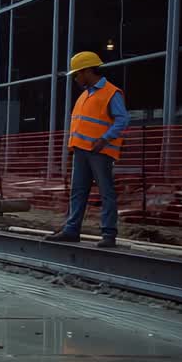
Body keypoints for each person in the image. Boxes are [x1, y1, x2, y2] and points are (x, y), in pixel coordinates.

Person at [46, 51, 127, 248]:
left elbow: (123, 118)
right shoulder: (85, 95)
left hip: (100, 151)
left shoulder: (111, 92)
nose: (75, 77)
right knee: (78, 191)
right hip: (81, 151)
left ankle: (109, 234)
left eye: (77, 73)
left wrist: (105, 139)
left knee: (106, 191)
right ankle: (71, 230)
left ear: (87, 70)